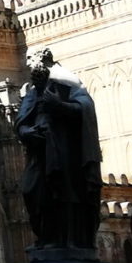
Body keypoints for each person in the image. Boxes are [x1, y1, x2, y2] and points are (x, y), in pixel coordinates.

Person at [15, 47, 102, 250]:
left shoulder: (67, 82)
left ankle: (63, 241)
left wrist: (59, 106)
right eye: (28, 60)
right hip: (39, 152)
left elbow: (85, 107)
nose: (28, 64)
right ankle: (46, 237)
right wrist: (26, 131)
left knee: (63, 193)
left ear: (45, 60)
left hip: (64, 151)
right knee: (31, 191)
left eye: (32, 59)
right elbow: (21, 120)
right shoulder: (32, 91)